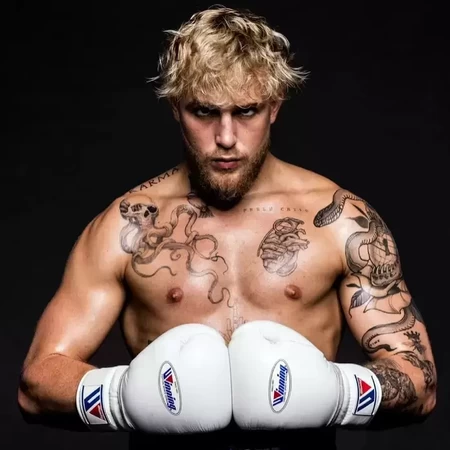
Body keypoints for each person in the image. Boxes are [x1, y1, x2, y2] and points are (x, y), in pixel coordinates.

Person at [18, 5, 437, 450]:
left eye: (247, 111)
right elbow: (37, 383)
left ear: (274, 106)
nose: (226, 138)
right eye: (203, 112)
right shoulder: (129, 228)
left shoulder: (340, 221)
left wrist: (337, 394)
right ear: (176, 107)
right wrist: (123, 397)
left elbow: (420, 382)